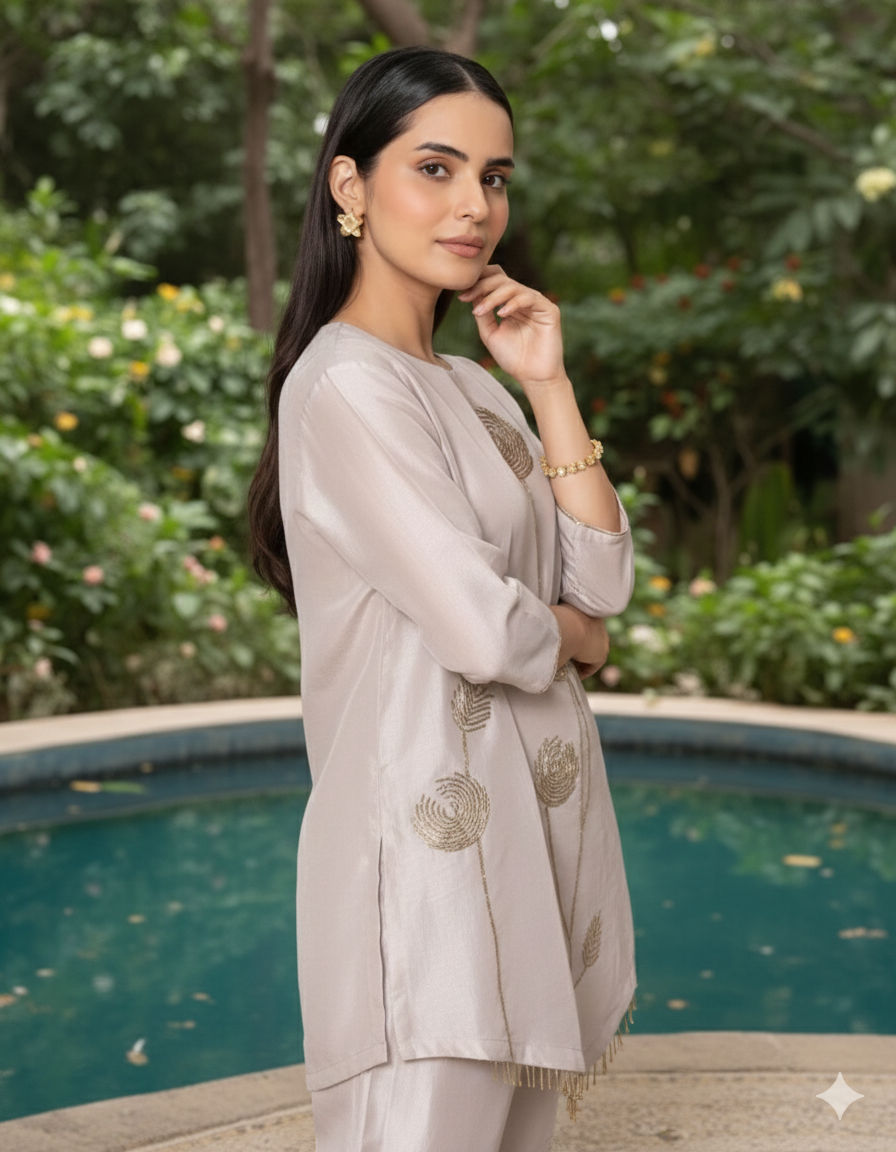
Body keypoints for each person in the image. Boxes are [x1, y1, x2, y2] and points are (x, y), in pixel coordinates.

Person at [247, 44, 638, 1152]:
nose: (475, 205)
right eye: (435, 168)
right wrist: (574, 636)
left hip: (522, 860)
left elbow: (602, 578)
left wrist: (546, 383)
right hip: (424, 879)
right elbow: (491, 629)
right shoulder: (343, 385)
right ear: (350, 185)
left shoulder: (473, 384)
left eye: (494, 177)